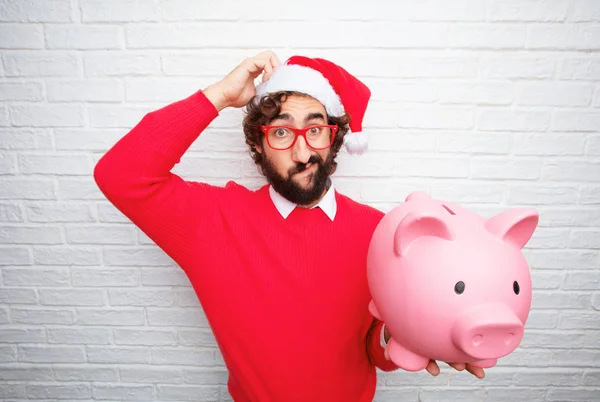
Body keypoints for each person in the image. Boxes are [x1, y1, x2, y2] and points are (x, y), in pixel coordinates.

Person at [94, 50, 484, 402]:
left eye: (315, 130)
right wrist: (219, 96)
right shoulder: (212, 221)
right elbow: (120, 175)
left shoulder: (378, 232)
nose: (302, 153)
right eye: (282, 132)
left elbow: (372, 351)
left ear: (333, 139)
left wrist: (409, 338)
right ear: (259, 143)